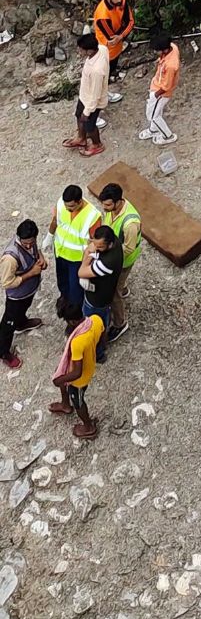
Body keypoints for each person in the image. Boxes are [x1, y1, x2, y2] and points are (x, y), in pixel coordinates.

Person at [50, 308, 105, 440]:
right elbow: (104, 336)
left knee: (78, 401)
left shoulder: (77, 342)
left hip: (80, 379)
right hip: (85, 363)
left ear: (73, 321)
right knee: (62, 377)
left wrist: (59, 380)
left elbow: (76, 372)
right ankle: (65, 405)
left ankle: (88, 427)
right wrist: (96, 351)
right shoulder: (95, 319)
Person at [97, 184, 141, 342]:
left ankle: (120, 323)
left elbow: (128, 248)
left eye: (108, 205)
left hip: (122, 261)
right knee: (117, 284)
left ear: (118, 201)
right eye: (104, 204)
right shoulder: (112, 209)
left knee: (114, 294)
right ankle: (123, 287)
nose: (105, 208)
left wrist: (108, 254)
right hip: (113, 254)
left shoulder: (130, 224)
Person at [0, 221, 45, 371]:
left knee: (24, 309)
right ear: (19, 237)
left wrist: (41, 258)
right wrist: (31, 273)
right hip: (16, 296)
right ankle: (4, 352)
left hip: (28, 292)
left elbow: (35, 252)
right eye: (26, 243)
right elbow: (7, 283)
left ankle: (21, 322)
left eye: (31, 242)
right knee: (8, 324)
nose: (29, 246)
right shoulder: (10, 258)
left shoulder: (31, 241)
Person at [49, 185, 96, 321]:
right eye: (66, 206)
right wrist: (49, 235)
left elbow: (94, 244)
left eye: (71, 207)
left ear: (80, 202)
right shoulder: (61, 204)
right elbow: (56, 220)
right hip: (61, 253)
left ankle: (75, 318)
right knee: (62, 282)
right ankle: (64, 299)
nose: (68, 210)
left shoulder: (92, 215)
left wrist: (87, 267)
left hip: (77, 260)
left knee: (76, 291)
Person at [66, 33, 109, 158]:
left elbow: (95, 94)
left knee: (89, 124)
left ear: (89, 51)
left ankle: (97, 144)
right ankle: (81, 138)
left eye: (81, 49)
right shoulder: (102, 49)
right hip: (84, 96)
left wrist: (88, 111)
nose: (79, 51)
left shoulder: (97, 70)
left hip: (92, 102)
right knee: (78, 116)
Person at [79, 221, 124, 336]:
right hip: (105, 294)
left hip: (97, 299)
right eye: (95, 244)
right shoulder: (114, 240)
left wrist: (88, 253)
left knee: (92, 326)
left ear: (109, 244)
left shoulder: (108, 262)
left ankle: (98, 343)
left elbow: (81, 272)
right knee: (103, 320)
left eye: (100, 247)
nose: (96, 248)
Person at [92, 0, 134, 101]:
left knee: (108, 75)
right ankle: (93, 108)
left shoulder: (123, 0)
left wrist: (121, 36)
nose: (119, 0)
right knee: (100, 79)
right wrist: (122, 35)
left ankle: (104, 94)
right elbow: (112, 37)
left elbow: (130, 21)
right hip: (104, 51)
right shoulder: (102, 15)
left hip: (116, 49)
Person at [140, 34, 181, 145]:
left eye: (156, 51)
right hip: (157, 86)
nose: (155, 52)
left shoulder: (171, 65)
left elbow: (166, 86)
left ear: (165, 50)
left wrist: (156, 95)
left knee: (153, 116)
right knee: (156, 112)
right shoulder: (172, 47)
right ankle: (154, 130)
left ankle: (168, 136)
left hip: (161, 93)